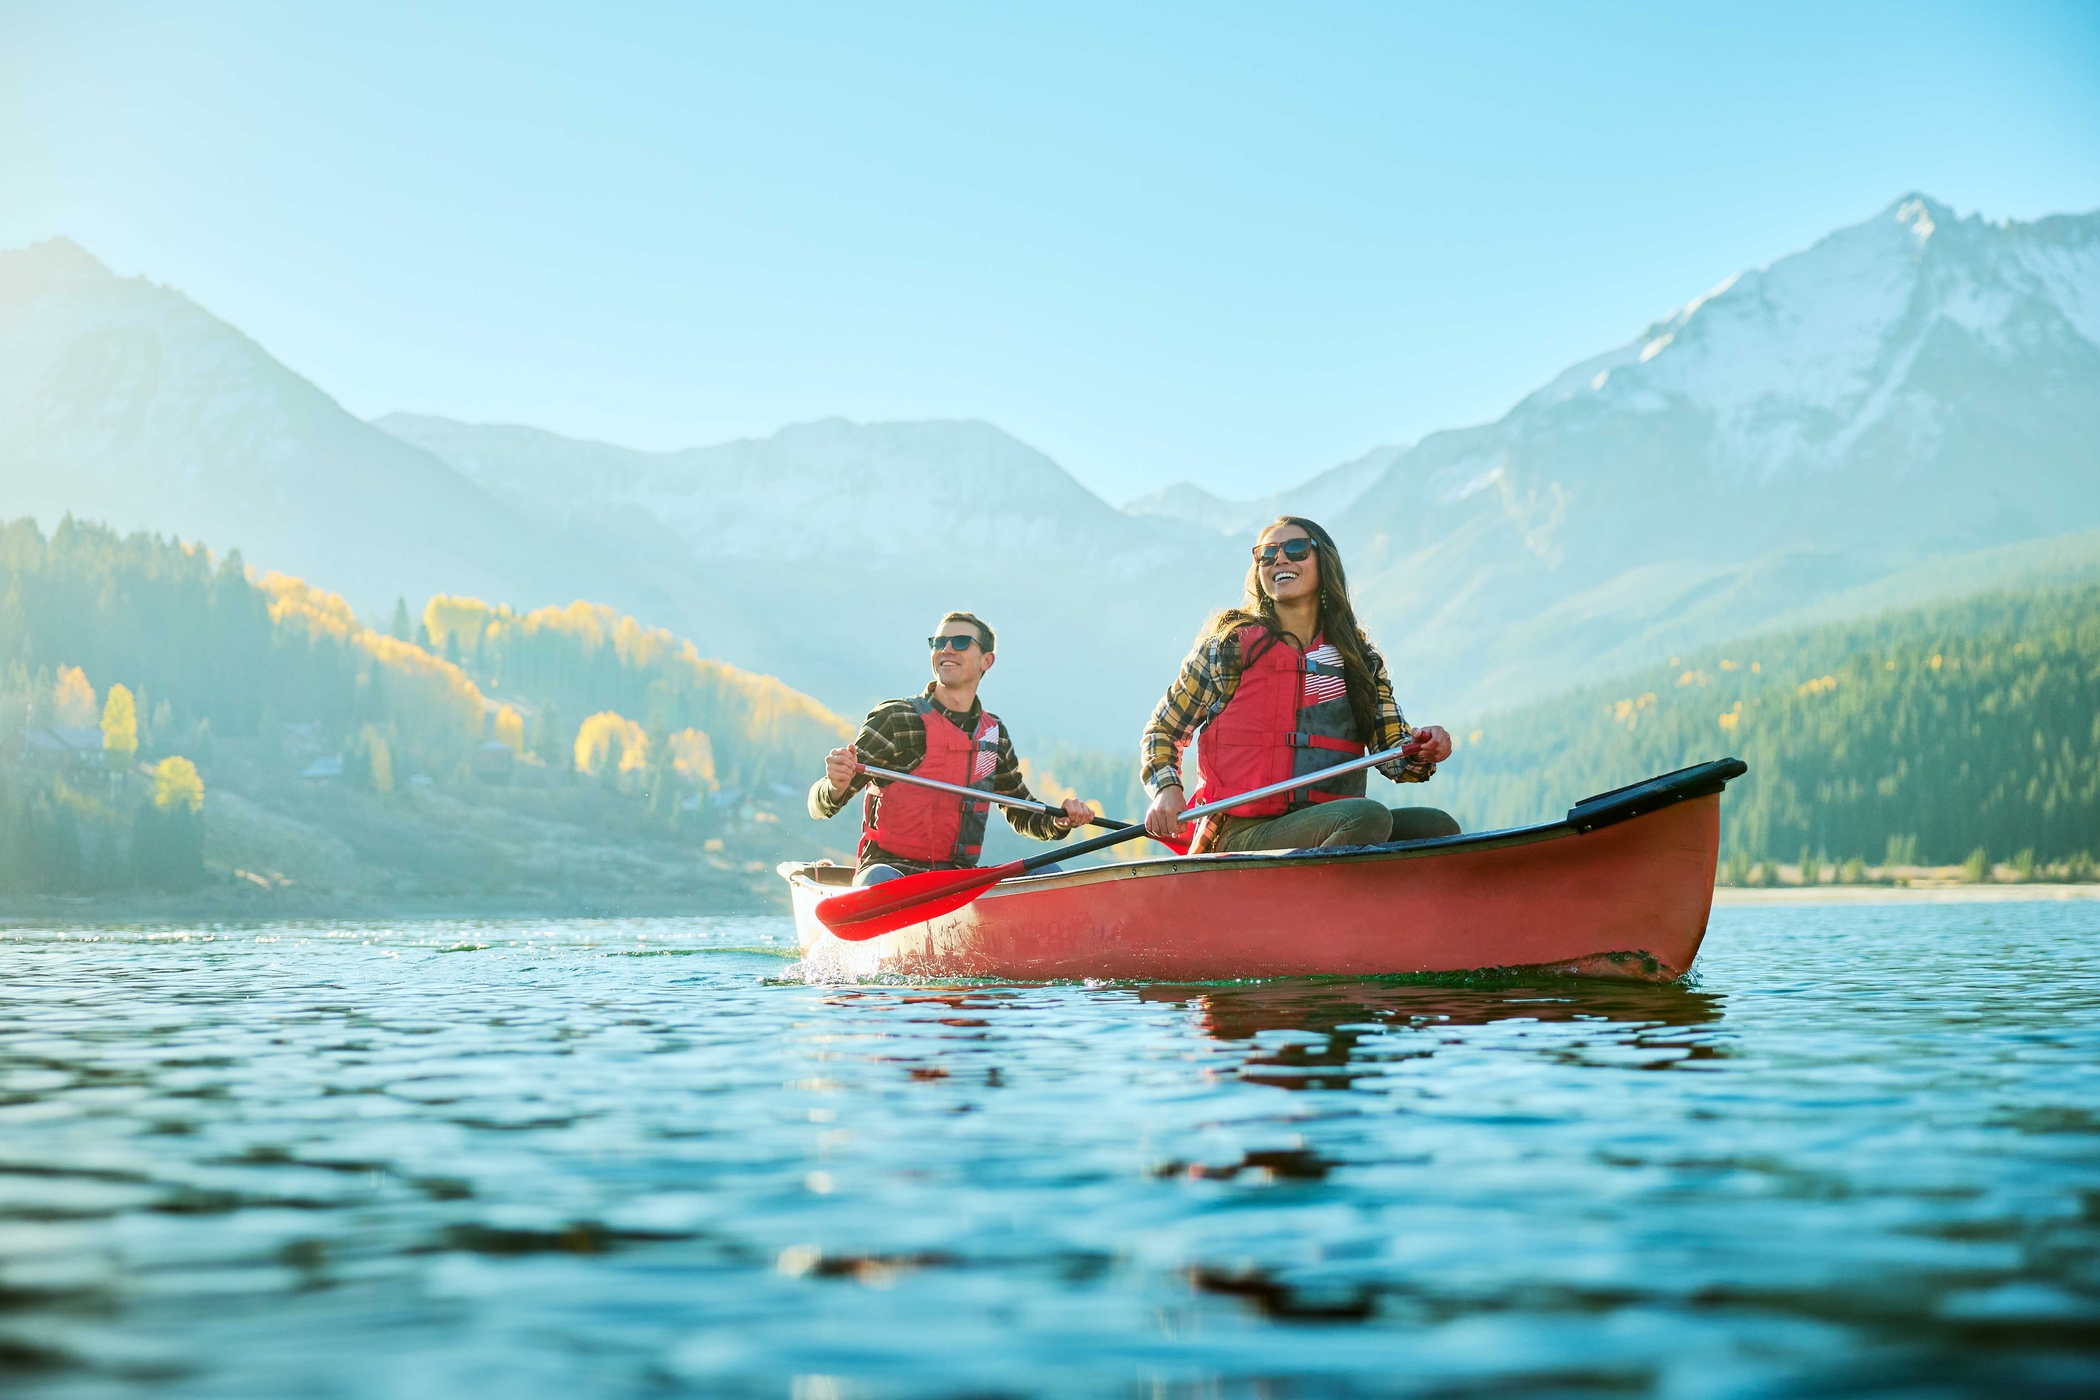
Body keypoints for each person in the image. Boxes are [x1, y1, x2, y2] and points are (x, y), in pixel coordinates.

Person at [1141, 517, 1458, 854]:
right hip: (1241, 835)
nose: (1280, 559)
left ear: (1325, 563)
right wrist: (1166, 790)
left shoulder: (1358, 660)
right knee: (1366, 817)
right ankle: (1313, 901)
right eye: (1267, 554)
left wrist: (1423, 749)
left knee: (1437, 827)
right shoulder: (1228, 647)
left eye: (1296, 549)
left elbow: (1395, 756)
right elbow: (1163, 730)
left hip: (1331, 823)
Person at [811, 611, 1096, 884]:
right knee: (879, 878)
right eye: (938, 643)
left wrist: (1060, 821)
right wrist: (835, 785)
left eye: (960, 642)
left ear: (987, 660)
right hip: (888, 876)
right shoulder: (896, 719)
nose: (946, 649)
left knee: (1049, 872)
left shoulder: (993, 736)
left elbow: (1022, 812)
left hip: (955, 881)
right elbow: (820, 806)